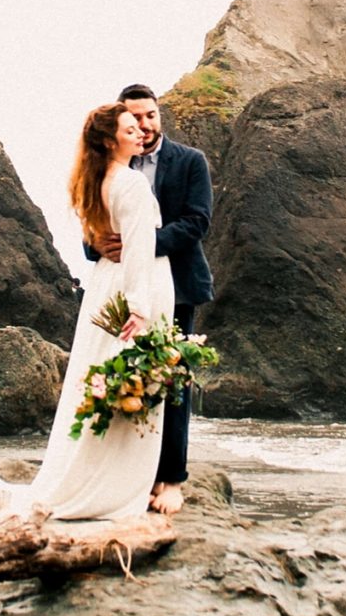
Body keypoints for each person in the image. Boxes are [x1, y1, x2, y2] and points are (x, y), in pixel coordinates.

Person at [28, 103, 174, 525]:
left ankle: (90, 471)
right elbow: (139, 249)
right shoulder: (128, 182)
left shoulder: (98, 180)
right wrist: (140, 308)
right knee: (129, 379)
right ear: (111, 141)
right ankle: (113, 486)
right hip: (133, 286)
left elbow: (106, 241)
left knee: (102, 377)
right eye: (131, 129)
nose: (140, 133)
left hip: (105, 285)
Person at [86, 83, 213, 513]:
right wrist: (97, 246)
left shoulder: (190, 161)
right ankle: (126, 475)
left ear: (160, 115)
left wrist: (144, 241)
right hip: (122, 290)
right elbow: (95, 227)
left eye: (151, 115)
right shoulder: (110, 167)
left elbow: (197, 222)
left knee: (171, 382)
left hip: (176, 288)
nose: (145, 125)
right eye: (136, 118)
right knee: (121, 379)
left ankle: (171, 478)